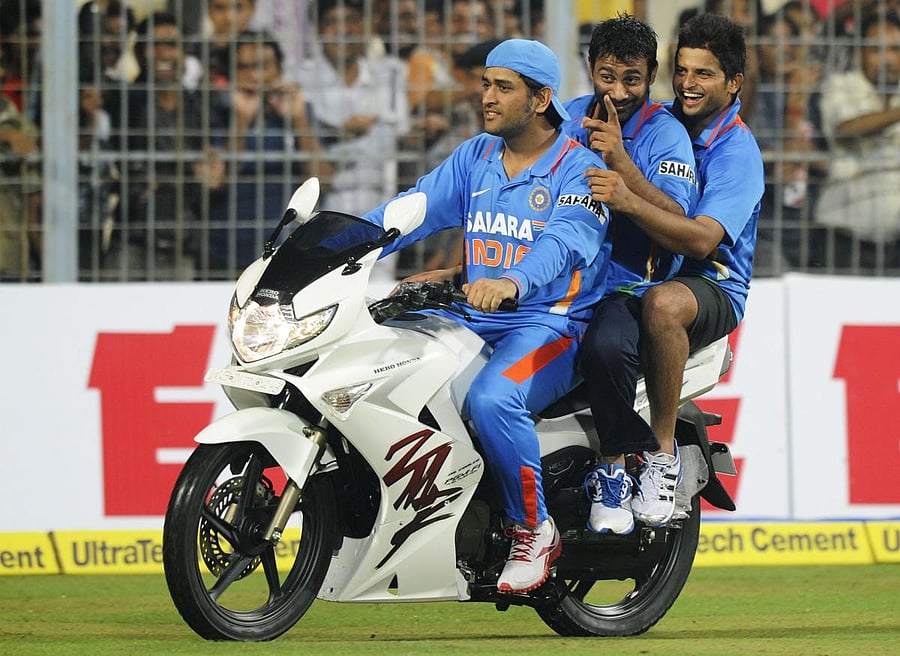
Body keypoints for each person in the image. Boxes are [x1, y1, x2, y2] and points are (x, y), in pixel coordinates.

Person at [363, 39, 611, 594]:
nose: (488, 98)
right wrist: (342, 242)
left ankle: (534, 529)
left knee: (493, 398)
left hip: (551, 324)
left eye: (504, 87)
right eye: (485, 85)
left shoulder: (580, 167)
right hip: (470, 318)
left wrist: (512, 281)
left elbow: (566, 243)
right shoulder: (475, 156)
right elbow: (414, 208)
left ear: (542, 97)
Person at [583, 12, 764, 527]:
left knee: (665, 305)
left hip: (712, 283)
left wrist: (625, 187)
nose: (688, 83)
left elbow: (704, 239)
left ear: (734, 84)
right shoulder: (659, 121)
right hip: (647, 277)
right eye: (682, 70)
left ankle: (662, 455)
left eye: (704, 74)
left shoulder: (737, 152)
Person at [559, 14, 698, 535]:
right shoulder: (564, 120)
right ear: (591, 68)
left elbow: (680, 221)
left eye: (632, 79)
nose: (618, 91)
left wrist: (621, 164)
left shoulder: (666, 134)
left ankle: (614, 469)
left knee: (606, 348)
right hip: (552, 284)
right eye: (607, 76)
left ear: (653, 75)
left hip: (622, 288)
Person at [206, 31, 326, 276]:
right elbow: (214, 181)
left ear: (279, 69)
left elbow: (323, 178)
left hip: (288, 248)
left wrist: (300, 121)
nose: (254, 75)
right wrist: (241, 121)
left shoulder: (299, 110)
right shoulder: (216, 111)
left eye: (263, 66)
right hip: (227, 249)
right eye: (244, 67)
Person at [814, 7, 900, 272]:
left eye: (895, 49)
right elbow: (846, 128)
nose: (887, 59)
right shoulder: (840, 85)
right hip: (844, 236)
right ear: (860, 52)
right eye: (877, 50)